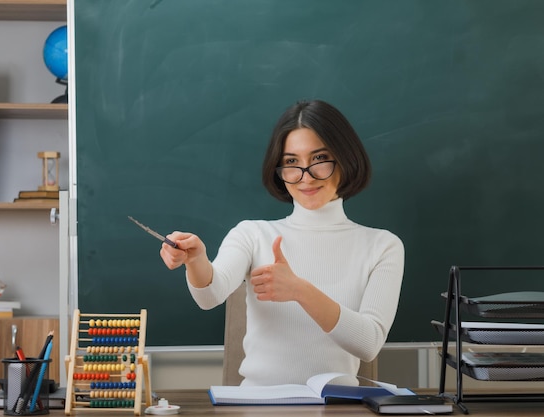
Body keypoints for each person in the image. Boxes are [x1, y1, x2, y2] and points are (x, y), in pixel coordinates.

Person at [159, 99, 405, 386]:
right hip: (258, 406)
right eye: (291, 163)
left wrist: (300, 290)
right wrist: (196, 260)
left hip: (337, 406)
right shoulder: (252, 234)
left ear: (346, 158)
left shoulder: (382, 246)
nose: (305, 176)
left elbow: (369, 342)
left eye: (319, 159)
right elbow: (209, 295)